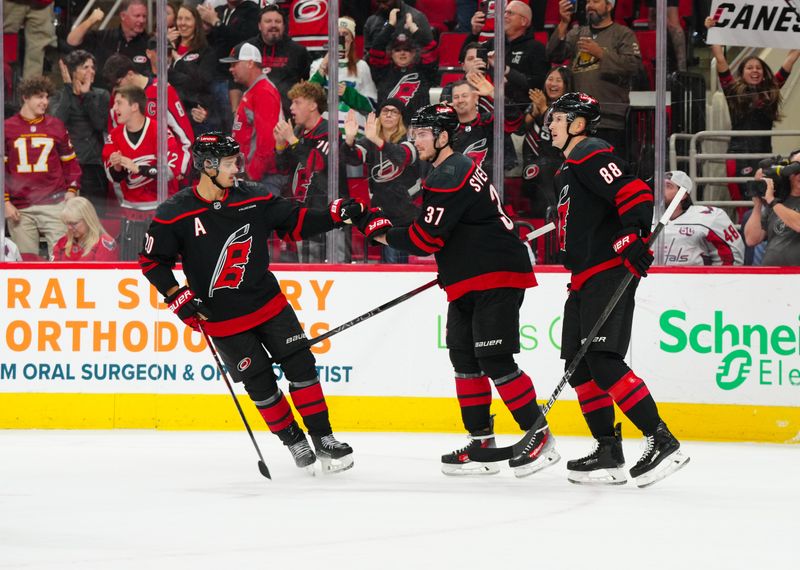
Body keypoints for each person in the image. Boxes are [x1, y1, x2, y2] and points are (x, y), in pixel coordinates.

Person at [348, 103, 560, 478]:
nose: (417, 139)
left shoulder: (451, 172)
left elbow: (426, 238)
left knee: (494, 360)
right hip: (470, 277)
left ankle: (539, 436)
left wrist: (378, 231)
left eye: (424, 133)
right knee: (464, 359)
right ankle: (482, 442)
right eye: (415, 132)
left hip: (495, 275)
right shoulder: (446, 170)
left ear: (444, 137)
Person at [138, 131, 361, 473]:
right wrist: (176, 296)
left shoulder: (252, 197)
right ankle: (295, 441)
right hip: (223, 320)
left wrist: (334, 215)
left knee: (301, 367)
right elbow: (153, 261)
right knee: (259, 384)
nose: (236, 169)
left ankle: (324, 438)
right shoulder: (174, 212)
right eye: (228, 163)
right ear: (207, 166)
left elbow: (295, 222)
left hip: (268, 305)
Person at [547, 92, 689, 487]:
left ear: (578, 124)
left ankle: (660, 439)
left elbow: (635, 193)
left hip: (606, 272)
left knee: (603, 359)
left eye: (558, 119)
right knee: (578, 366)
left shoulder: (589, 152)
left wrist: (632, 235)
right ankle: (608, 451)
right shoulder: (569, 166)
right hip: (583, 276)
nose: (551, 125)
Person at [705, 17, 799, 205]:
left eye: (758, 68)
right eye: (750, 67)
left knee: (765, 203)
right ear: (742, 72)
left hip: (764, 157)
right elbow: (721, 59)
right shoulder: (732, 90)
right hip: (737, 158)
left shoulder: (771, 90)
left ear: (764, 73)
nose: (754, 70)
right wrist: (711, 31)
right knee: (741, 206)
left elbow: (792, 57)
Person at [547, 0, 642, 160]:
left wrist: (601, 54)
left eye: (596, 1)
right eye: (588, 2)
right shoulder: (577, 32)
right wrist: (564, 23)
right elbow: (553, 55)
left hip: (609, 120)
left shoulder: (622, 34)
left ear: (609, 6)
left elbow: (634, 66)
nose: (589, 5)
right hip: (577, 120)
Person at [102, 86, 189, 260]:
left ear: (134, 106)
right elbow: (112, 176)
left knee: (163, 265)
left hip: (160, 212)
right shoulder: (115, 135)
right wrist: (118, 167)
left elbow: (172, 171)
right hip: (131, 214)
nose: (115, 109)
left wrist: (139, 169)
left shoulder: (160, 131)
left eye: (119, 103)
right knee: (131, 264)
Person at [4, 76, 81, 259]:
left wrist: (72, 189)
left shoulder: (56, 126)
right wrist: (5, 202)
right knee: (27, 264)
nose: (45, 102)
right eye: (39, 97)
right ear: (25, 97)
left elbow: (70, 163)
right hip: (20, 207)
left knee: (63, 259)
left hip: (54, 204)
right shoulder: (6, 128)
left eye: (47, 97)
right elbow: (2, 171)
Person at [273, 81, 348, 262]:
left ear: (313, 105)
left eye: (297, 102)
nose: (291, 108)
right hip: (303, 212)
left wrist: (291, 140)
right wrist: (280, 145)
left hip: (328, 212)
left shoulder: (329, 131)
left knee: (334, 268)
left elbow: (317, 164)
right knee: (307, 265)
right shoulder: (298, 132)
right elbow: (284, 169)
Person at [341, 103, 421, 263]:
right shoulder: (369, 142)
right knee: (389, 264)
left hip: (407, 213)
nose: (389, 114)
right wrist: (349, 139)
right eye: (385, 111)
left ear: (401, 118)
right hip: (382, 211)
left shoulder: (411, 140)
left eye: (394, 112)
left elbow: (401, 156)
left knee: (398, 263)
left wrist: (377, 140)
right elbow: (352, 158)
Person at [53, 50, 112, 219]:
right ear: (73, 71)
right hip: (68, 166)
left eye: (92, 67)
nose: (91, 71)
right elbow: (57, 125)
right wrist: (67, 89)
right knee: (70, 218)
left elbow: (99, 124)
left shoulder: (101, 95)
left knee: (94, 218)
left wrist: (86, 96)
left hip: (93, 166)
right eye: (85, 67)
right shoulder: (59, 96)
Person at [221, 41, 283, 195]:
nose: (231, 69)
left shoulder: (263, 91)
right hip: (252, 175)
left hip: (263, 178)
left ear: (250, 63)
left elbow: (267, 141)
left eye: (235, 64)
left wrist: (251, 174)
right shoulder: (254, 89)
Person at [102, 54, 195, 156]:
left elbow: (184, 133)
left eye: (118, 83)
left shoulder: (162, 90)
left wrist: (181, 166)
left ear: (130, 74)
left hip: (163, 161)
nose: (116, 89)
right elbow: (114, 135)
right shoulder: (117, 97)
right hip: (133, 164)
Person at [463, 0, 548, 104]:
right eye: (504, 12)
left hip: (520, 109)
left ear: (524, 21)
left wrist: (506, 70)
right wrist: (475, 33)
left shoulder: (536, 48)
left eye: (510, 13)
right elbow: (463, 56)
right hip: (489, 106)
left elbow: (537, 85)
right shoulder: (494, 43)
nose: (504, 16)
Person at [198, 0, 260, 130]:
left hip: (232, 80)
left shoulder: (252, 11)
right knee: (211, 127)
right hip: (210, 77)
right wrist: (207, 30)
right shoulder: (219, 11)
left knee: (230, 128)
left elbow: (241, 41)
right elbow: (214, 44)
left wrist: (217, 23)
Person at [521, 65, 574, 217]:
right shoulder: (539, 102)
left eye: (558, 80)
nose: (553, 84)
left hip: (555, 164)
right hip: (532, 160)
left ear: (567, 85)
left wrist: (544, 109)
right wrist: (534, 112)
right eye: (550, 79)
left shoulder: (569, 107)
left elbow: (562, 134)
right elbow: (521, 128)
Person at [309, 16, 378, 133]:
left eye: (345, 34)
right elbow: (307, 98)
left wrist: (348, 93)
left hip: (354, 131)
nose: (341, 37)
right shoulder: (318, 64)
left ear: (352, 38)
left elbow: (371, 106)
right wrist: (324, 65)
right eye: (337, 33)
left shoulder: (361, 66)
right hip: (324, 131)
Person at [661, 170, 744, 266]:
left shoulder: (710, 218)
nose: (660, 191)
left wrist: (714, 279)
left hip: (694, 279)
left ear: (683, 194)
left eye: (668, 186)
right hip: (651, 279)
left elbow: (733, 256)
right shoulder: (646, 215)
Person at [66, 0, 150, 90]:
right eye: (137, 16)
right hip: (101, 98)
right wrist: (91, 20)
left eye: (144, 16)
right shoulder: (104, 37)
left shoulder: (150, 44)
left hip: (135, 100)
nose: (142, 20)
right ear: (123, 16)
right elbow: (72, 40)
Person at [247, 4, 311, 118]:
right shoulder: (246, 49)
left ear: (284, 25)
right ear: (259, 26)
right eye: (268, 21)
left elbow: (306, 86)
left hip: (287, 117)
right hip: (252, 115)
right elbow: (235, 84)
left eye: (278, 21)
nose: (273, 25)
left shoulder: (299, 51)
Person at [743, 150, 800, 266]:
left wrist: (772, 201)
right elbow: (751, 239)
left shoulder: (775, 202)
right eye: (796, 168)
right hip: (771, 276)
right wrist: (758, 202)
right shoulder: (779, 200)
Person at [168, 4, 219, 135]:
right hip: (167, 112)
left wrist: (178, 62)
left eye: (187, 19)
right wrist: (165, 47)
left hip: (192, 112)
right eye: (180, 18)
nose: (183, 23)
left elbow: (201, 82)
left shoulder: (206, 52)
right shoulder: (167, 48)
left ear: (196, 23)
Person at [364, 0, 435, 63]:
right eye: (378, 2)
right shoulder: (372, 22)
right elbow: (369, 55)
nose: (382, 6)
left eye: (385, 1)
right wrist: (390, 27)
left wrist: (415, 30)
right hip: (382, 72)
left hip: (413, 71)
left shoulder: (417, 18)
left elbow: (430, 51)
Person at [52, 196, 119, 261]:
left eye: (74, 223)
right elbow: (52, 270)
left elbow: (104, 272)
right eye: (67, 223)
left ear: (88, 220)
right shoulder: (62, 242)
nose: (69, 228)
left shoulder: (105, 243)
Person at [2, 0, 56, 79]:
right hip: (10, 3)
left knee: (37, 49)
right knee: (5, 45)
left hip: (42, 4)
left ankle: (31, 89)